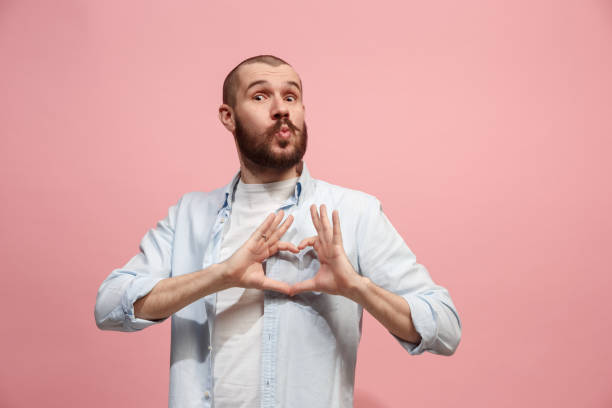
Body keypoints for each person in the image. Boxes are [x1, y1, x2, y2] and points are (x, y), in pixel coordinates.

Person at [94, 55, 462, 408]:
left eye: (291, 96)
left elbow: (444, 327)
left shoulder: (353, 213)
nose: (282, 108)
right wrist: (221, 276)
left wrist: (356, 287)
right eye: (259, 96)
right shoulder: (191, 214)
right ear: (228, 116)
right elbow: (110, 306)